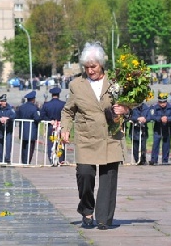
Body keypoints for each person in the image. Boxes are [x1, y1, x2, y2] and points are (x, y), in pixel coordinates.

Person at [60, 42, 130, 230]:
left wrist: (125, 109)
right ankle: (87, 209)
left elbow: (129, 105)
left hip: (110, 136)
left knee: (108, 177)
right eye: (87, 67)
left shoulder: (115, 82)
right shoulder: (76, 85)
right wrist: (65, 128)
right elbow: (68, 111)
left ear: (101, 65)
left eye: (94, 67)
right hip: (86, 137)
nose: (90, 70)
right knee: (85, 174)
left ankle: (103, 218)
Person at [40, 87, 66, 165]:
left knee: (51, 143)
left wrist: (49, 120)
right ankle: (60, 160)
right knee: (60, 143)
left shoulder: (46, 104)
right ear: (59, 94)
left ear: (52, 95)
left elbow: (42, 115)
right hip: (61, 126)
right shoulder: (63, 104)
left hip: (51, 126)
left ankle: (51, 159)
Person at [149, 93, 171, 165]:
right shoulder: (154, 107)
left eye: (164, 102)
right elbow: (152, 116)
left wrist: (167, 118)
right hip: (157, 129)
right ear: (158, 102)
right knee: (155, 145)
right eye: (161, 102)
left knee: (166, 145)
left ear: (166, 101)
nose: (162, 104)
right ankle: (154, 160)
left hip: (167, 128)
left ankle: (165, 160)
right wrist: (160, 119)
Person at [17, 90, 41, 165]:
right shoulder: (34, 108)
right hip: (32, 129)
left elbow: (17, 116)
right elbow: (37, 118)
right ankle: (27, 161)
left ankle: (24, 160)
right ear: (33, 99)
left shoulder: (21, 107)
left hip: (23, 129)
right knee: (30, 147)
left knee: (24, 146)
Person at [0, 94, 16, 164]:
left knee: (8, 143)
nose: (4, 102)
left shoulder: (10, 107)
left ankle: (8, 158)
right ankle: (1, 158)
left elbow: (14, 115)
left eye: (5, 101)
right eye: (3, 101)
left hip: (8, 128)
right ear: (0, 102)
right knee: (0, 143)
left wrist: (7, 118)